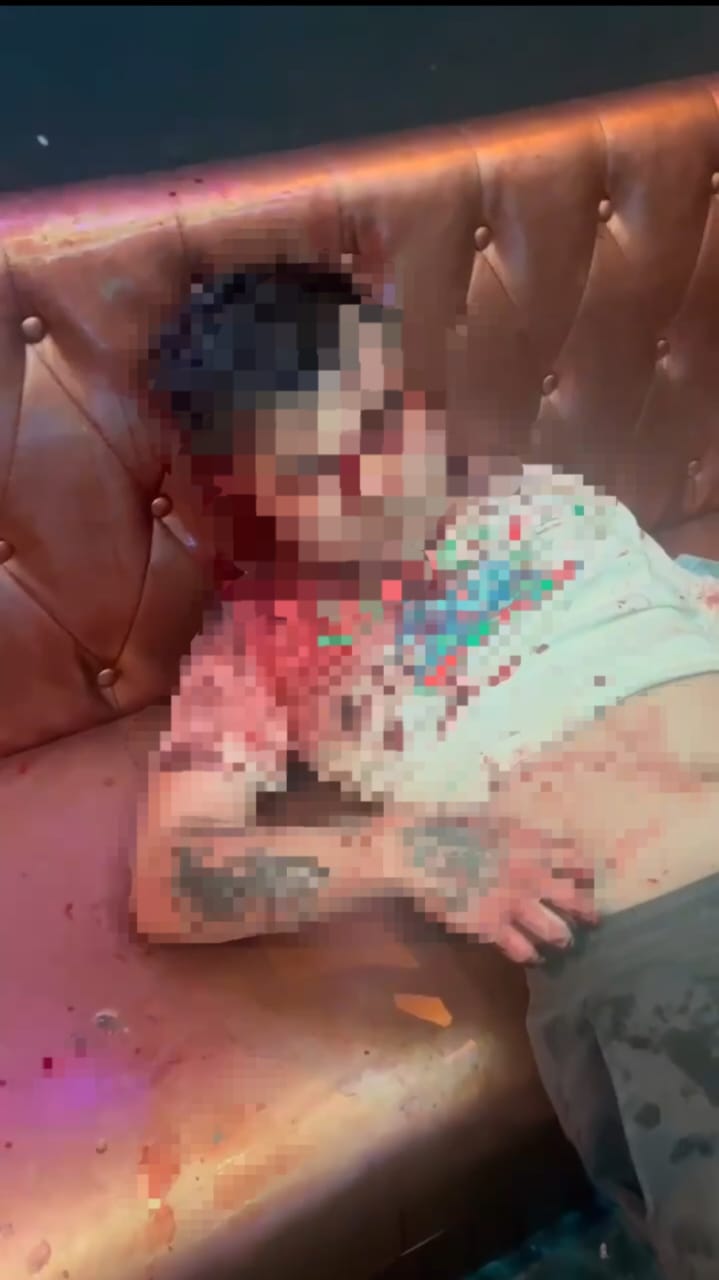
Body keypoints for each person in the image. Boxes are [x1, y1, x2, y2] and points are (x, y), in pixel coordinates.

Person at [140, 261, 719, 1278]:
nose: (380, 480)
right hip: (668, 944)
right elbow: (172, 875)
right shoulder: (262, 636)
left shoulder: (546, 495)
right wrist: (402, 851)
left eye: (383, 421)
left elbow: (681, 602)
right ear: (249, 495)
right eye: (317, 472)